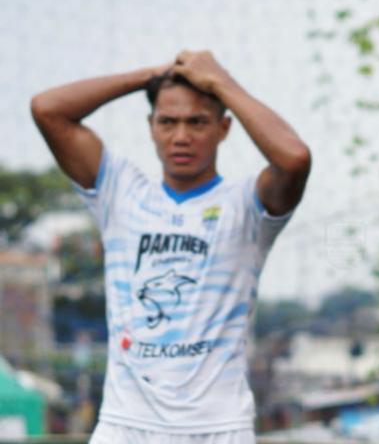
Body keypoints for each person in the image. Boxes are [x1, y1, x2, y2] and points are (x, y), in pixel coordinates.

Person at [31, 50, 311, 443]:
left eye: (197, 122)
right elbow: (47, 109)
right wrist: (150, 76)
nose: (181, 136)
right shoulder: (120, 191)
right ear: (151, 126)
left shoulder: (246, 204)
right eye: (168, 122)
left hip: (217, 427)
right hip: (125, 425)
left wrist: (220, 82)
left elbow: (295, 159)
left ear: (224, 128)